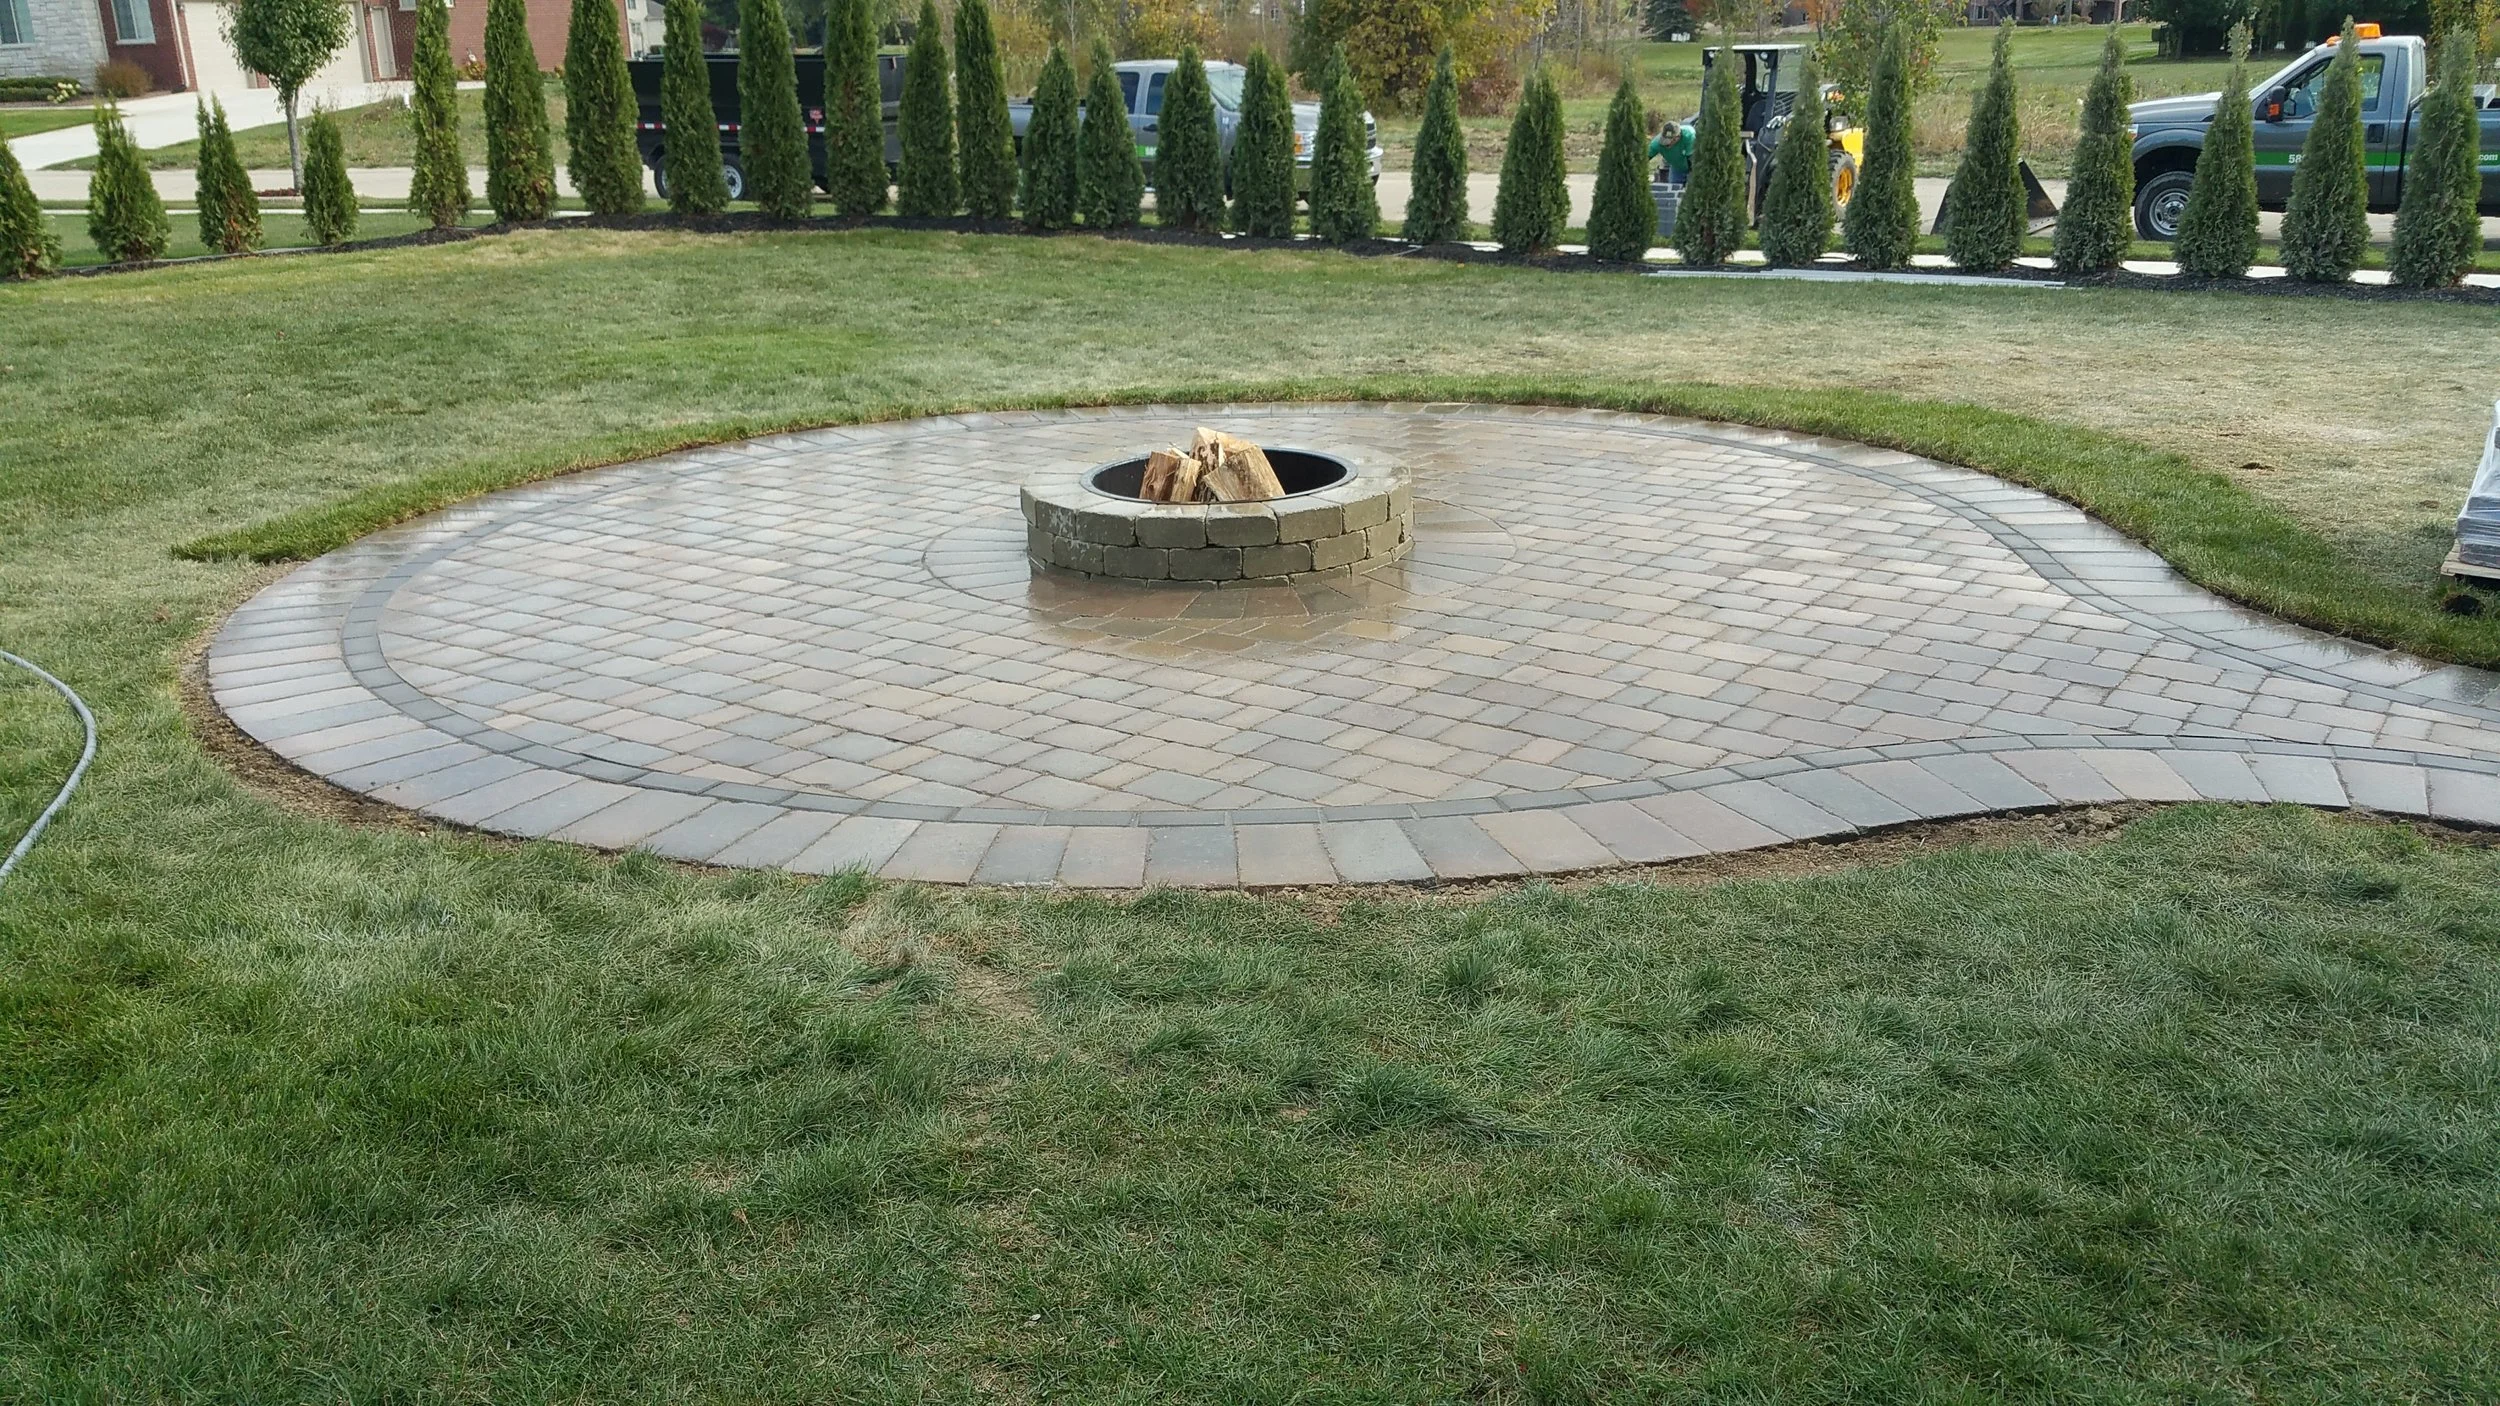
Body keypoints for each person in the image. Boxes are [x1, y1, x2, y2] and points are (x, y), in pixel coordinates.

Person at [1648, 117, 1694, 186]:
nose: (1666, 144)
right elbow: (1644, 158)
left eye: (1670, 141)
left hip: (1693, 165)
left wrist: (1692, 177)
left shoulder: (1689, 136)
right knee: (1674, 188)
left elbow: (1692, 159)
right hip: (1677, 167)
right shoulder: (1657, 143)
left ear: (1677, 137)